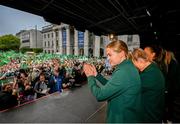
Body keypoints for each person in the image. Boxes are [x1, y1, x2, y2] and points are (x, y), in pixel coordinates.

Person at [83, 40, 142, 123]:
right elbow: (112, 87)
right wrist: (96, 75)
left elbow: (100, 95)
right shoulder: (127, 67)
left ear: (121, 53)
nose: (108, 58)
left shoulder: (123, 72)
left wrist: (90, 76)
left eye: (110, 55)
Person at [131, 48, 165, 122]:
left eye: (134, 63)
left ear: (139, 60)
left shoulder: (148, 75)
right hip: (154, 114)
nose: (134, 66)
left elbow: (130, 90)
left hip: (150, 117)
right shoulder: (153, 68)